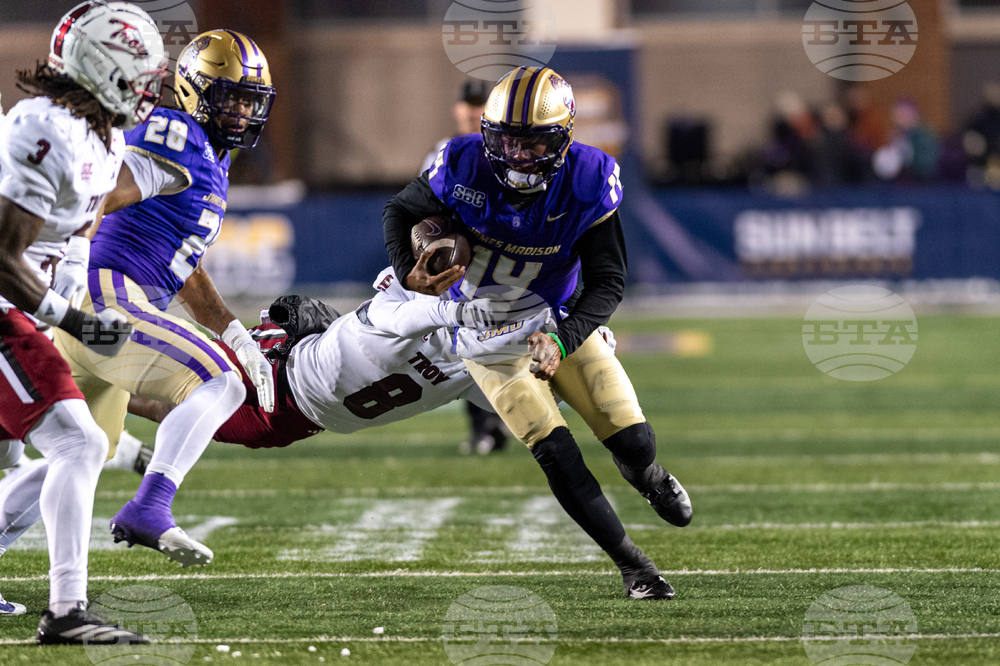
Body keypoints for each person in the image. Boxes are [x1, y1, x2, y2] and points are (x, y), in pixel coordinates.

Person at [383, 66, 692, 599]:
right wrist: (412, 276)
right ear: (489, 133)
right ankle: (635, 567)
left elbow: (608, 281)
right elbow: (400, 211)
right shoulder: (459, 163)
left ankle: (648, 476)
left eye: (534, 143)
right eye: (507, 141)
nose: (519, 155)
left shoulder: (589, 179)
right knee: (555, 451)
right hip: (484, 335)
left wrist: (566, 337)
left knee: (634, 440)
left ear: (564, 137)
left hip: (556, 318)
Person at [51, 29, 276, 568]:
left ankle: (51, 592)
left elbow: (184, 264)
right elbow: (98, 192)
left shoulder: (211, 158)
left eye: (251, 101)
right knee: (217, 380)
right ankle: (150, 507)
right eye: (231, 99)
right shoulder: (178, 134)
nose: (243, 113)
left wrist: (233, 329)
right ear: (197, 91)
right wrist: (63, 269)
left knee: (79, 451)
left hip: (98, 310)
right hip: (102, 299)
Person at [0, 1, 164, 644]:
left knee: (22, 452)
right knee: (79, 442)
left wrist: (73, 301)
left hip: (20, 310)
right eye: (139, 71)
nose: (149, 87)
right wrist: (68, 319)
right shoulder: (42, 129)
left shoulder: (102, 133)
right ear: (101, 66)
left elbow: (72, 239)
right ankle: (66, 612)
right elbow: (2, 257)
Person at [421, 79, 508, 456]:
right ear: (458, 109)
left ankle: (506, 417)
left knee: (510, 342)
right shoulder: (444, 153)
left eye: (480, 105)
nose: (473, 112)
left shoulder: (508, 150)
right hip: (462, 265)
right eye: (468, 105)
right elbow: (421, 210)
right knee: (467, 345)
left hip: (505, 261)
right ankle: (484, 427)